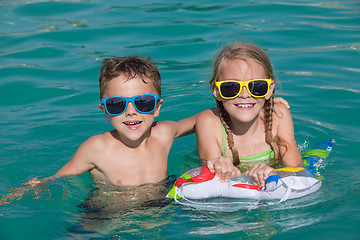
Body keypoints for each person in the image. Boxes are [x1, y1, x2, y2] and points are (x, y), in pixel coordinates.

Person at [0, 56, 198, 205]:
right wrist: (24, 191)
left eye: (143, 103)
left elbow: (200, 120)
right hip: (106, 213)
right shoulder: (96, 148)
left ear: (157, 107)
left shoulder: (164, 134)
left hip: (160, 204)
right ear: (105, 111)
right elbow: (57, 177)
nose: (131, 112)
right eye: (117, 104)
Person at [195, 43, 303, 189]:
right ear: (216, 91)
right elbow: (213, 183)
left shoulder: (278, 115)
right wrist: (222, 168)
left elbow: (297, 170)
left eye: (256, 87)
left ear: (269, 89)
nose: (245, 95)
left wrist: (273, 173)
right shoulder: (208, 123)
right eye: (231, 87)